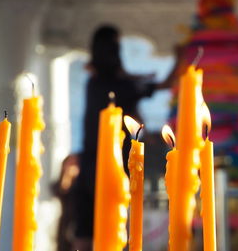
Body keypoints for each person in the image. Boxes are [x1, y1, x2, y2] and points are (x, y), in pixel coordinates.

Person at [71, 25, 177, 250]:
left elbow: (129, 81)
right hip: (114, 164)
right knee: (114, 224)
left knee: (86, 228)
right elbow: (167, 84)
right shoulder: (120, 86)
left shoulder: (96, 82)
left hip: (89, 163)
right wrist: (181, 58)